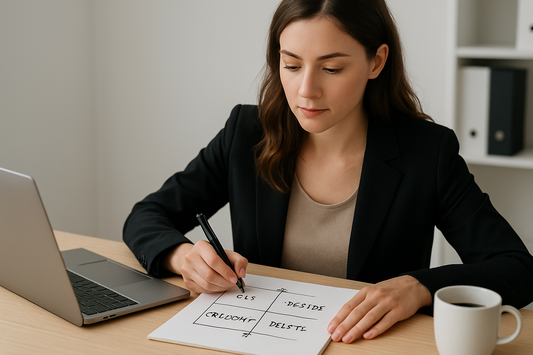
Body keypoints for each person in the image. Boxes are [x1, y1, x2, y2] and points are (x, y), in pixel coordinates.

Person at [123, 0, 533, 344]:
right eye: (291, 65)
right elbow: (146, 216)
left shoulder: (426, 153)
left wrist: (419, 287)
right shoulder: (246, 134)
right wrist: (182, 256)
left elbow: (517, 267)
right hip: (257, 340)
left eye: (331, 68)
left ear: (376, 61)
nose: (306, 90)